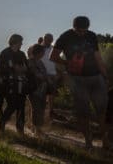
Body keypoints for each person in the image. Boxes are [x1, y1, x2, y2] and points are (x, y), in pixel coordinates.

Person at [50, 16, 109, 149]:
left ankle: (105, 140)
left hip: (95, 77)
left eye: (85, 30)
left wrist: (105, 75)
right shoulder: (65, 37)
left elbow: (97, 57)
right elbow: (53, 56)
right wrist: (67, 63)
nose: (83, 33)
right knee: (84, 112)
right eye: (79, 31)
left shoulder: (91, 35)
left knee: (102, 109)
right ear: (74, 27)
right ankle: (88, 141)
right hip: (77, 80)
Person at [0, 34, 30, 134]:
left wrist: (20, 69)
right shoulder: (5, 53)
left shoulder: (22, 54)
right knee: (12, 105)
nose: (22, 44)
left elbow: (26, 67)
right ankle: (2, 125)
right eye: (20, 42)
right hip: (8, 84)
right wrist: (11, 69)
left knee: (21, 106)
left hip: (21, 83)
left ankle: (20, 130)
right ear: (15, 41)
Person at [28, 44, 49, 138]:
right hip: (34, 89)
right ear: (38, 52)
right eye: (42, 52)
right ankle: (36, 130)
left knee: (42, 108)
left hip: (42, 89)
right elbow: (36, 74)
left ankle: (37, 128)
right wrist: (44, 77)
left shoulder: (40, 62)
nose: (43, 54)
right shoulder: (30, 62)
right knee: (36, 109)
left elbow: (44, 74)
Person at [41, 33, 59, 120]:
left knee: (52, 94)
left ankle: (51, 112)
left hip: (52, 74)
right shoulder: (38, 48)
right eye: (48, 39)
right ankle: (41, 112)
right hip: (42, 75)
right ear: (44, 39)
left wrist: (58, 72)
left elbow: (56, 61)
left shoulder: (53, 48)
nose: (49, 41)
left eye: (51, 40)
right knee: (42, 94)